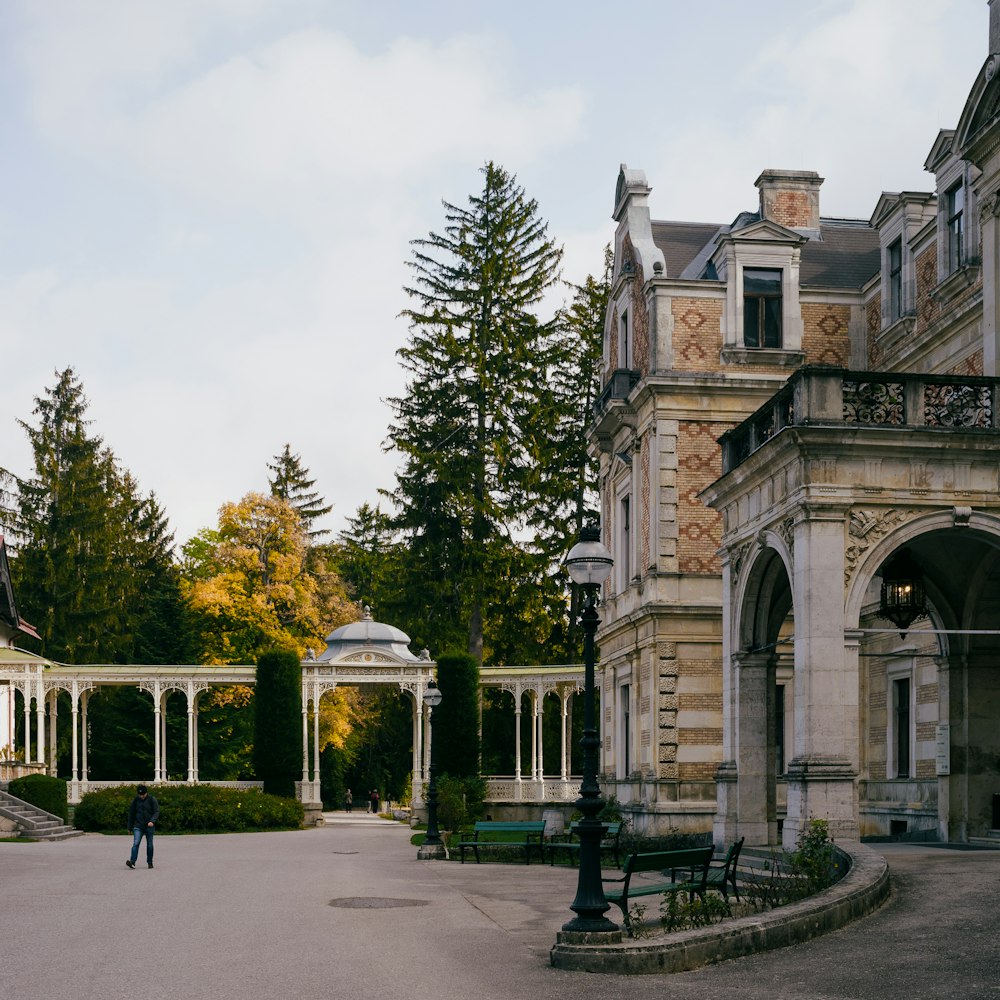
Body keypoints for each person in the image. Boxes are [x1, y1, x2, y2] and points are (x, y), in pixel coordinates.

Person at [126, 784, 159, 870]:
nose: (141, 796)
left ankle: (150, 862)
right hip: (138, 825)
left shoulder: (152, 799)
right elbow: (131, 814)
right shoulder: (135, 801)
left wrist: (152, 821)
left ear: (146, 793)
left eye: (143, 794)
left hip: (149, 826)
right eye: (139, 794)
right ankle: (132, 862)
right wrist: (129, 827)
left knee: (149, 845)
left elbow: (156, 811)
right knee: (136, 843)